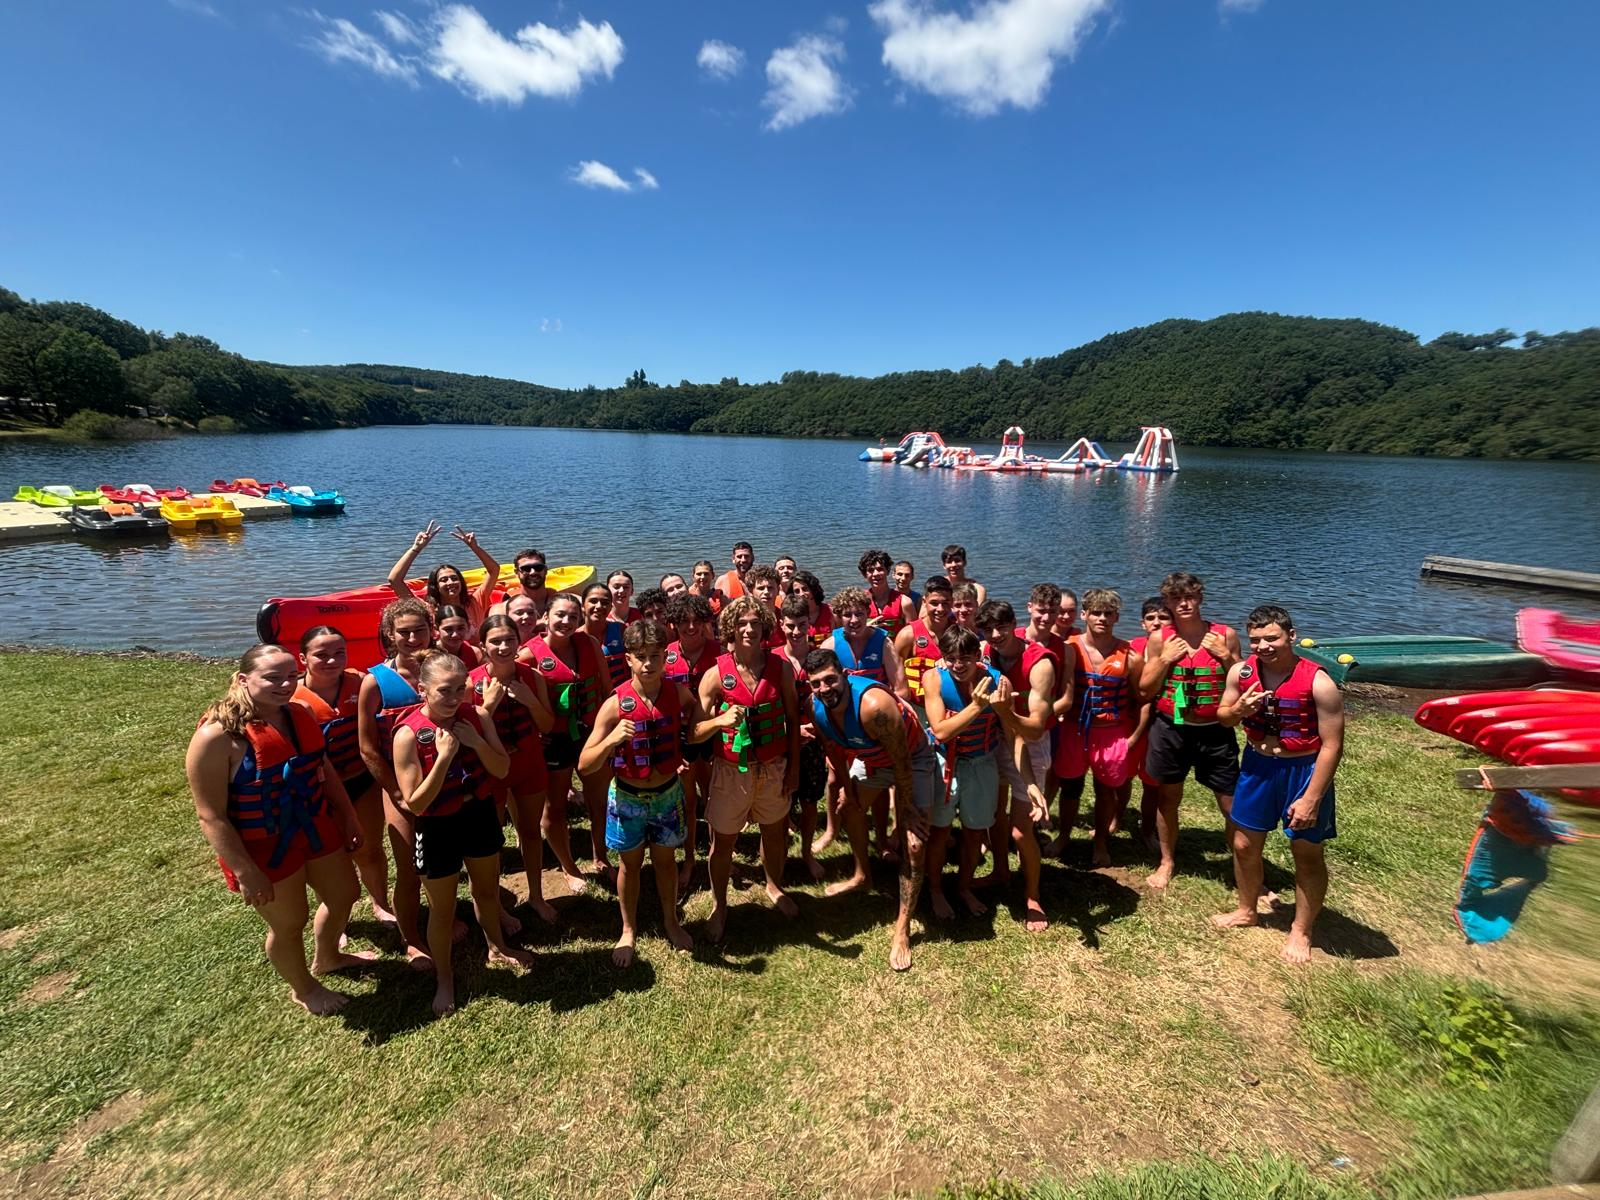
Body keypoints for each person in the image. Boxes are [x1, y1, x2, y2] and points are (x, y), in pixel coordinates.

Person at [187, 644, 369, 1015]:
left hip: (315, 828)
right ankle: (303, 989)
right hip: (264, 845)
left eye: (290, 676)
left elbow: (323, 769)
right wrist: (245, 871)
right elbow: (210, 816)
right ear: (243, 679)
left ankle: (329, 956)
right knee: (289, 922)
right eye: (272, 677)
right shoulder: (217, 737)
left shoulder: (298, 713)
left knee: (345, 893)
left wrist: (348, 815)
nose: (285, 685)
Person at [393, 650, 532, 1016]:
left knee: (487, 891)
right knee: (443, 908)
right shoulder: (408, 735)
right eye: (444, 691)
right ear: (422, 690)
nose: (454, 698)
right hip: (437, 825)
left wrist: (475, 742)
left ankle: (498, 947)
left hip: (478, 813)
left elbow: (501, 769)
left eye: (460, 689)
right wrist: (443, 757)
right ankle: (445, 978)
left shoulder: (476, 716)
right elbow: (417, 803)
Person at [1214, 606, 1344, 963]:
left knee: (1306, 852)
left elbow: (1332, 745)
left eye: (1271, 638)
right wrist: (1239, 709)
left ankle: (1301, 930)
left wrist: (1312, 798)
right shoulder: (1241, 672)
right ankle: (1247, 909)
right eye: (1255, 640)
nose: (1263, 646)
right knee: (1243, 844)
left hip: (1301, 770)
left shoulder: (1319, 681)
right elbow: (1223, 717)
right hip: (1257, 766)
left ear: (1291, 635)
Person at [580, 620, 708, 965]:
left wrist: (686, 746)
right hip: (628, 797)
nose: (649, 663)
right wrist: (610, 740)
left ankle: (671, 921)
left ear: (665, 656)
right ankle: (627, 928)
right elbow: (585, 764)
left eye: (655, 655)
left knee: (666, 863)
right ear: (629, 659)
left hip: (668, 793)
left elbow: (695, 723)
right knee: (630, 865)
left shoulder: (678, 693)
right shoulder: (615, 704)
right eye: (641, 656)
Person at [805, 647, 940, 971]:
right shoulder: (816, 706)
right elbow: (833, 749)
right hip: (871, 760)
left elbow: (903, 763)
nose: (824, 689)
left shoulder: (875, 706)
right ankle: (862, 875)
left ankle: (902, 927)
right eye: (816, 683)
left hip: (912, 761)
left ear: (845, 675)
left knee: (915, 843)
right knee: (848, 810)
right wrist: (849, 792)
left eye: (830, 680)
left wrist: (904, 813)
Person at [696, 597, 802, 940]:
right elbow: (694, 730)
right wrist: (720, 721)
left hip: (773, 766)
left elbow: (792, 718)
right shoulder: (715, 675)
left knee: (774, 831)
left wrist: (794, 768)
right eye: (741, 623)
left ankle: (774, 886)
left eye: (756, 623)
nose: (748, 629)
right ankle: (720, 905)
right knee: (723, 841)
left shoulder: (781, 668)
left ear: (765, 629)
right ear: (730, 628)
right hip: (731, 771)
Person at [1138, 572, 1243, 890]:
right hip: (1171, 729)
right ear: (1168, 602)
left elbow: (1243, 678)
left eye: (1190, 596)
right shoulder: (1161, 639)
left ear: (1200, 598)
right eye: (1175, 598)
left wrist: (1225, 657)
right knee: (1168, 798)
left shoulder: (1225, 634)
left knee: (1230, 803)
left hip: (1215, 730)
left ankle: (1242, 864)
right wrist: (1164, 660)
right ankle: (1167, 861)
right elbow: (1144, 688)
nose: (1183, 603)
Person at [357, 598, 439, 964]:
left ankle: (445, 917)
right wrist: (393, 791)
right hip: (401, 788)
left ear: (431, 630)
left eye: (419, 630)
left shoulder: (441, 669)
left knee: (444, 859)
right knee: (409, 867)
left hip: (444, 778)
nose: (412, 638)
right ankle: (412, 937)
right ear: (390, 635)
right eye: (403, 632)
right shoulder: (375, 681)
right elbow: (367, 748)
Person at [295, 626, 391, 929]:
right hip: (319, 791)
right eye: (321, 655)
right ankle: (337, 918)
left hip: (362, 781)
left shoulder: (360, 683)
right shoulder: (291, 698)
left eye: (339, 653)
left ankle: (381, 904)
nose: (332, 661)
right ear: (303, 658)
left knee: (370, 848)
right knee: (331, 858)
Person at [520, 592, 614, 891]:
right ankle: (568, 865)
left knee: (598, 801)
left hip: (590, 733)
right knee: (556, 807)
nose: (566, 621)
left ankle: (601, 857)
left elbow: (607, 688)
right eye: (560, 614)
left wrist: (609, 730)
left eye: (573, 617)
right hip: (554, 739)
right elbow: (516, 702)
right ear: (545, 617)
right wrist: (531, 734)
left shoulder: (590, 644)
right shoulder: (529, 655)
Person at [978, 599, 1060, 933]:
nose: (996, 635)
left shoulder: (1039, 663)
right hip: (994, 737)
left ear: (1015, 624)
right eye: (988, 629)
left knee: (1019, 829)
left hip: (1031, 742)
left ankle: (1032, 894)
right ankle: (1000, 871)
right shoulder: (987, 651)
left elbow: (1036, 727)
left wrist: (1006, 713)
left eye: (1002, 627)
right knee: (995, 818)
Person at [924, 627, 1018, 918]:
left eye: (965, 658)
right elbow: (940, 730)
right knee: (939, 831)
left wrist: (1003, 711)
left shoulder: (998, 681)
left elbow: (1010, 729)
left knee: (975, 830)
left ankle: (964, 887)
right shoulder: (933, 679)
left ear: (978, 656)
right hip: (944, 762)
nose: (957, 665)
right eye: (950, 658)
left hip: (982, 762)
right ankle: (936, 889)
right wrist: (978, 706)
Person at [469, 614, 557, 923]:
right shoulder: (471, 682)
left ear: (518, 642)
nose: (504, 646)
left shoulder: (533, 677)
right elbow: (466, 736)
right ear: (483, 646)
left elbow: (547, 724)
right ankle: (496, 907)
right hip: (490, 770)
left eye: (509, 640)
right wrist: (488, 706)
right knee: (491, 842)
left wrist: (531, 701)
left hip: (529, 764)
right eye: (495, 641)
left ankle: (536, 895)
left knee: (531, 832)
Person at [1056, 590, 1144, 867]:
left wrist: (1132, 738)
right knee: (1070, 787)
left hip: (1110, 732)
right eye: (1096, 612)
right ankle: (1064, 835)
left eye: (1108, 613)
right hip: (1074, 728)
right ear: (1084, 615)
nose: (1102, 618)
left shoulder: (1130, 656)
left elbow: (1142, 699)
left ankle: (1101, 843)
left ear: (1117, 617)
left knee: (1106, 791)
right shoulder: (1069, 647)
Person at [664, 593, 722, 895]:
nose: (690, 627)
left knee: (713, 796)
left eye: (696, 621)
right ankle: (689, 859)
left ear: (705, 622)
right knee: (687, 801)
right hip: (682, 737)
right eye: (683, 621)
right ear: (673, 624)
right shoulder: (667, 655)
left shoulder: (720, 652)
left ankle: (717, 854)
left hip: (713, 734)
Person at [777, 596, 831, 881]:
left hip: (813, 744)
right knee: (781, 802)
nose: (796, 632)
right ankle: (780, 855)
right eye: (790, 626)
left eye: (802, 625)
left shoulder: (818, 659)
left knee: (810, 802)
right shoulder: (773, 659)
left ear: (810, 624)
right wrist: (791, 730)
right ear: (780, 624)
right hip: (781, 743)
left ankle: (807, 853)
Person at [387, 522, 500, 634]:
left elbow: (494, 570)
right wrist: (416, 548)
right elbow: (395, 580)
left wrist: (475, 547)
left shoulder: (475, 603)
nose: (450, 582)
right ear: (435, 586)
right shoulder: (426, 610)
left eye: (454, 578)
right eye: (443, 580)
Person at [1126, 597, 1171, 853]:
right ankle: (1114, 819)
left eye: (1163, 617)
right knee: (1123, 775)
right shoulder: (1133, 647)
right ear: (1143, 623)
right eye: (1151, 618)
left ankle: (1147, 829)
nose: (1156, 622)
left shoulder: (1178, 648)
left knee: (1153, 781)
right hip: (1131, 718)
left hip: (1162, 722)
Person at [893, 576, 952, 715]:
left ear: (952, 602)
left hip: (950, 706)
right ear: (924, 602)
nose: (940, 609)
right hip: (918, 706)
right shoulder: (908, 635)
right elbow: (895, 677)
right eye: (934, 603)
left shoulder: (959, 632)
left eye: (945, 603)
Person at [859, 548, 916, 636]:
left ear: (887, 571)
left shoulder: (905, 602)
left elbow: (913, 635)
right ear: (864, 574)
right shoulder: (860, 601)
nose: (875, 574)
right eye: (870, 570)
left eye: (880, 569)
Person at [582, 581, 629, 688]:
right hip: (592, 697)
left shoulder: (622, 630)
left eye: (605, 602)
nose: (599, 606)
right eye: (593, 601)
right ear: (583, 605)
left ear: (611, 606)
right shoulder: (576, 637)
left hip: (620, 694)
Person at [493, 550, 555, 626]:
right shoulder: (502, 609)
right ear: (517, 573)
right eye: (526, 569)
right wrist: (541, 623)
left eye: (538, 567)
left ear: (545, 570)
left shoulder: (559, 601)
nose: (533, 572)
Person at [789, 570, 835, 647]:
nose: (801, 594)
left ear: (813, 589)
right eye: (797, 591)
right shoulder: (793, 617)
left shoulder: (831, 612)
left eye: (805, 589)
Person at [435, 605, 482, 670]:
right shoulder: (430, 655)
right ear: (436, 628)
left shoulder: (475, 653)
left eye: (460, 628)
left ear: (468, 626)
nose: (455, 635)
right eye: (448, 629)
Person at [745, 564, 784, 638]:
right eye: (761, 588)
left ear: (778, 590)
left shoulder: (785, 617)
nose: (766, 592)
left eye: (770, 588)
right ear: (750, 591)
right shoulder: (743, 619)